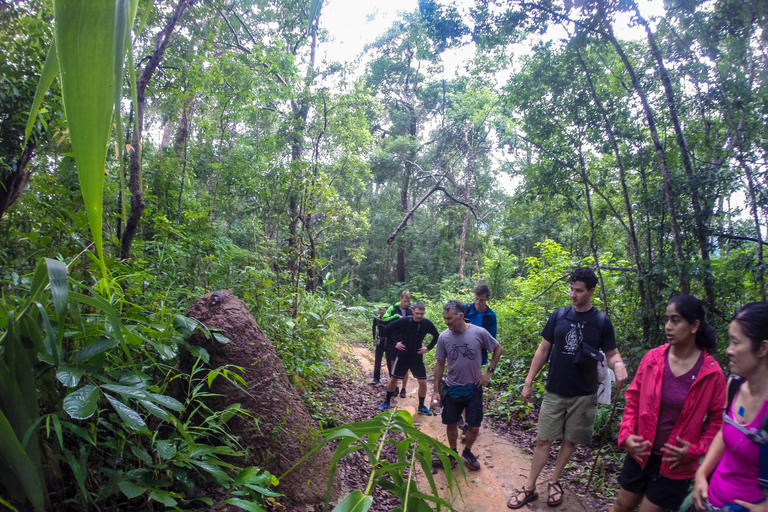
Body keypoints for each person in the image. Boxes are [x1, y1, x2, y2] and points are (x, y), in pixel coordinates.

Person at [508, 267, 628, 509]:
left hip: (584, 394)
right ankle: (530, 487)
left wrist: (620, 366)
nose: (573, 294)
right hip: (555, 390)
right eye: (571, 289)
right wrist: (529, 380)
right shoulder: (559, 316)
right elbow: (543, 349)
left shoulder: (601, 322)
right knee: (544, 440)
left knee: (570, 441)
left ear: (591, 291)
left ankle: (554, 481)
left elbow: (612, 353)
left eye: (579, 290)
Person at [609, 295, 726, 512]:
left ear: (694, 325)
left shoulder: (711, 373)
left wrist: (695, 449)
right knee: (620, 506)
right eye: (666, 320)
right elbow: (633, 400)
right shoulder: (653, 359)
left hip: (676, 465)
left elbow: (717, 422)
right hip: (640, 453)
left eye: (676, 320)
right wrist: (626, 435)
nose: (668, 327)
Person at [692, 302, 768, 512]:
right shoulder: (735, 384)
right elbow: (725, 431)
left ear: (762, 348)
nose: (729, 350)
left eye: (736, 342)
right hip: (710, 502)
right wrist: (701, 474)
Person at [432, 300, 504, 471]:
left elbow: (498, 349)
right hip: (452, 388)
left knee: (474, 425)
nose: (446, 322)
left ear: (461, 316)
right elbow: (440, 364)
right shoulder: (444, 337)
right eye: (445, 318)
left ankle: (468, 452)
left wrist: (489, 372)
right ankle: (452, 453)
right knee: (450, 423)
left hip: (474, 387)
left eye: (449, 318)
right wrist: (436, 391)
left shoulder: (479, 333)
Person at [379, 303, 440, 414]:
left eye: (421, 313)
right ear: (413, 312)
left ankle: (421, 406)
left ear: (424, 313)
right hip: (403, 354)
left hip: (417, 355)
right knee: (394, 379)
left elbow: (436, 335)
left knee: (423, 381)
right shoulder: (405, 321)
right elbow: (387, 329)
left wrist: (428, 348)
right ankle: (386, 401)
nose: (419, 316)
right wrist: (395, 343)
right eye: (417, 313)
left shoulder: (426, 323)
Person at [459, 284, 498, 439]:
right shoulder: (466, 309)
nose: (478, 302)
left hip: (478, 359)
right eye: (476, 299)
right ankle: (463, 421)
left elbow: (492, 341)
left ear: (488, 299)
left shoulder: (490, 316)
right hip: (460, 355)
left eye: (481, 300)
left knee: (472, 390)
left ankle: (468, 424)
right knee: (461, 388)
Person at [382, 290, 414, 397]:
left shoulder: (411, 310)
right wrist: (396, 317)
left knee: (406, 365)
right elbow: (384, 319)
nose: (407, 304)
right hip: (394, 341)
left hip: (406, 342)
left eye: (408, 302)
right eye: (405, 301)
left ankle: (404, 389)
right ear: (400, 299)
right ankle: (395, 387)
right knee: (392, 363)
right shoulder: (393, 308)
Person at [371, 306, 388, 384]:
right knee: (378, 360)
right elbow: (373, 327)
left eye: (384, 310)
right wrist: (374, 338)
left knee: (389, 361)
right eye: (380, 309)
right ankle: (376, 378)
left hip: (388, 342)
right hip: (380, 340)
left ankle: (392, 380)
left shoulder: (389, 319)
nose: (382, 311)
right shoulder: (377, 318)